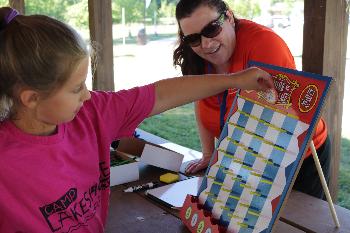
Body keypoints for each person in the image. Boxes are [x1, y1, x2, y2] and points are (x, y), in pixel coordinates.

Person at [0, 7, 272, 232]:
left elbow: (161, 94)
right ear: (31, 98)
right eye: (75, 88)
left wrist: (234, 80)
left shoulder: (92, 112)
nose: (87, 95)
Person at [173, 0, 330, 199]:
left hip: (296, 156)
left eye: (212, 29)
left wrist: (234, 171)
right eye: (194, 38)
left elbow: (271, 124)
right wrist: (208, 154)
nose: (206, 44)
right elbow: (202, 100)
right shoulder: (195, 53)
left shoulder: (264, 44)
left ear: (229, 17)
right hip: (243, 161)